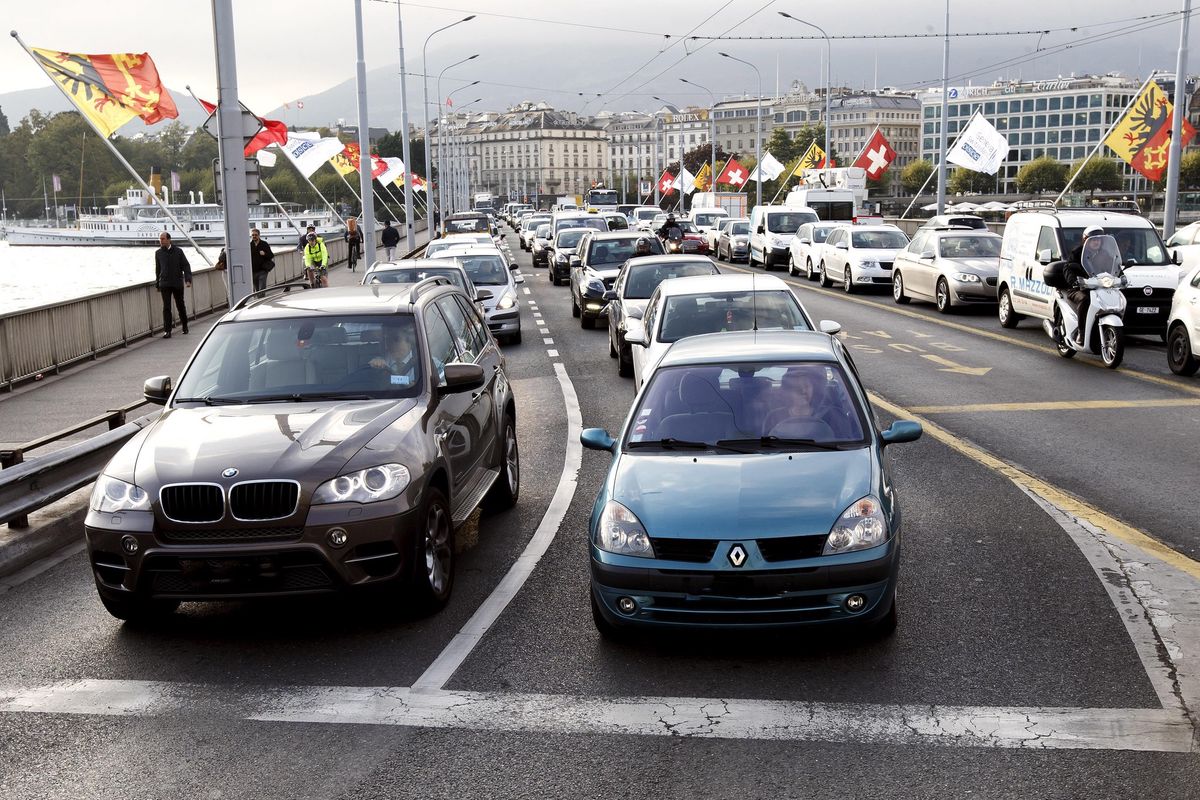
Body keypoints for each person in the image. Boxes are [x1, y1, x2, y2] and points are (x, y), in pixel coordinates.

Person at [1064, 225, 1104, 346]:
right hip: (1079, 288)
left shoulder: (1104, 254)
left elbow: (1114, 266)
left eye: (1098, 239)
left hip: (1099, 288)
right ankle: (1081, 332)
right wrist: (1074, 281)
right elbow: (1068, 267)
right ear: (1086, 240)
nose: (1096, 242)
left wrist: (1121, 277)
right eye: (1093, 239)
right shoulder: (1077, 253)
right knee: (1085, 299)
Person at [155, 232, 192, 338]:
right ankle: (167, 331)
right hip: (164, 283)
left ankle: (184, 325)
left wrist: (188, 280)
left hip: (177, 283)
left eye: (163, 239)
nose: (161, 241)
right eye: (160, 239)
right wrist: (157, 284)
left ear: (169, 239)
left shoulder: (178, 252)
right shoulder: (158, 253)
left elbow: (186, 265)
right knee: (166, 307)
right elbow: (157, 270)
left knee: (180, 305)